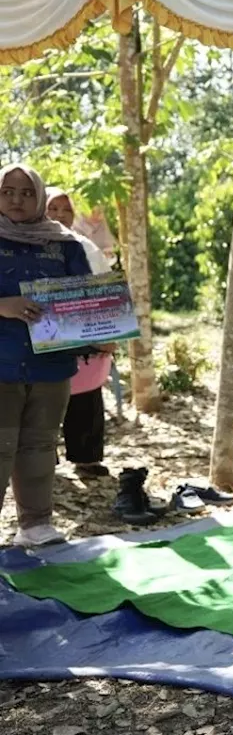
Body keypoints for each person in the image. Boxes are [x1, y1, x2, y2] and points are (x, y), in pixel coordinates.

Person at [0, 165, 93, 548]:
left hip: (50, 367)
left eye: (26, 192)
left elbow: (88, 297)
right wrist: (4, 306)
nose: (17, 200)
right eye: (8, 191)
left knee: (40, 444)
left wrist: (102, 325)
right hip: (2, 365)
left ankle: (36, 525)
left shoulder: (67, 244)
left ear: (39, 196)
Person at [46, 187, 114, 478]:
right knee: (40, 405)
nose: (61, 215)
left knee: (85, 399)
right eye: (53, 208)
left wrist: (111, 334)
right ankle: (42, 460)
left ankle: (86, 459)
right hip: (38, 342)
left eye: (66, 209)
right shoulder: (20, 246)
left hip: (86, 340)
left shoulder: (86, 247)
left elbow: (107, 289)